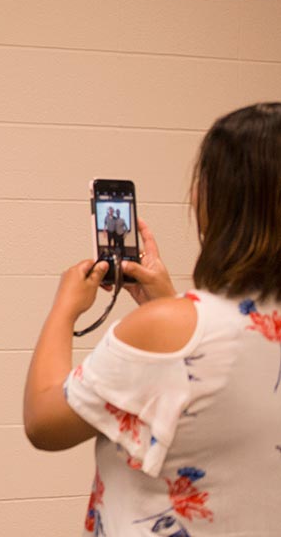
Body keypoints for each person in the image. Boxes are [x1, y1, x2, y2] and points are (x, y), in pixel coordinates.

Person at [23, 102, 281, 536]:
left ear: (215, 199)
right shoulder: (191, 326)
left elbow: (43, 422)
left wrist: (64, 307)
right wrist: (167, 301)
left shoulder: (167, 330)